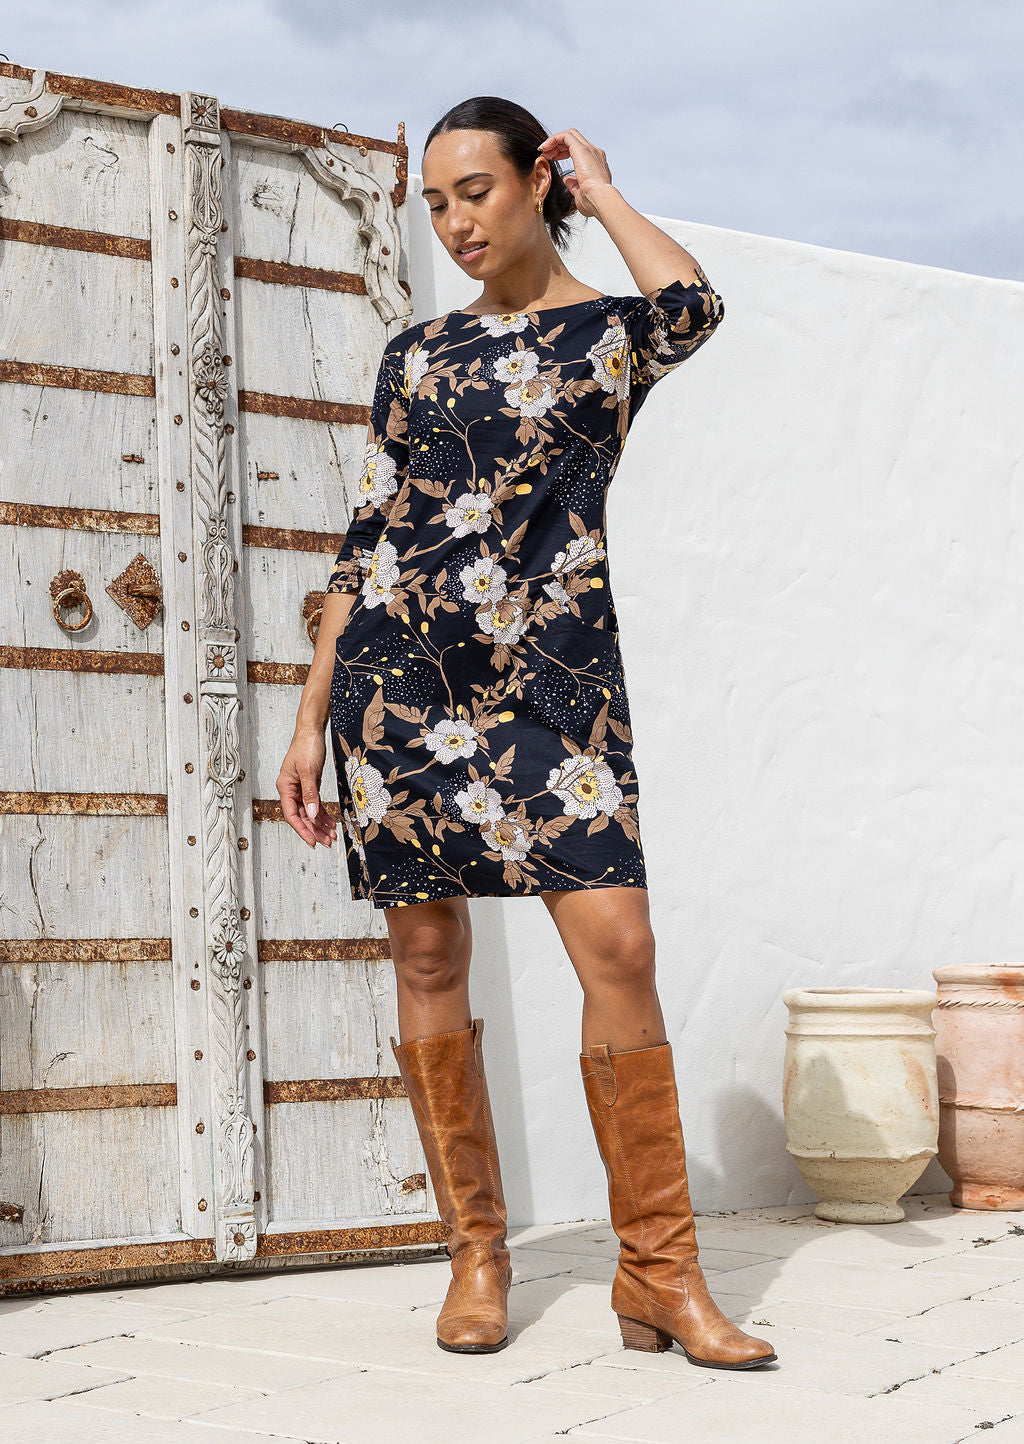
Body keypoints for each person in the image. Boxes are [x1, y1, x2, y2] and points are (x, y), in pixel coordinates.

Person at [276, 96, 776, 1371]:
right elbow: (370, 526)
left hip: (553, 688)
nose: (454, 222)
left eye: (476, 192)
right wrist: (310, 708)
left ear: (531, 184)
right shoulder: (416, 353)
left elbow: (693, 309)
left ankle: (659, 1273)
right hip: (401, 681)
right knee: (430, 956)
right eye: (435, 201)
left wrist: (599, 187)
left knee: (619, 938)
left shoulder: (605, 337)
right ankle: (477, 1256)